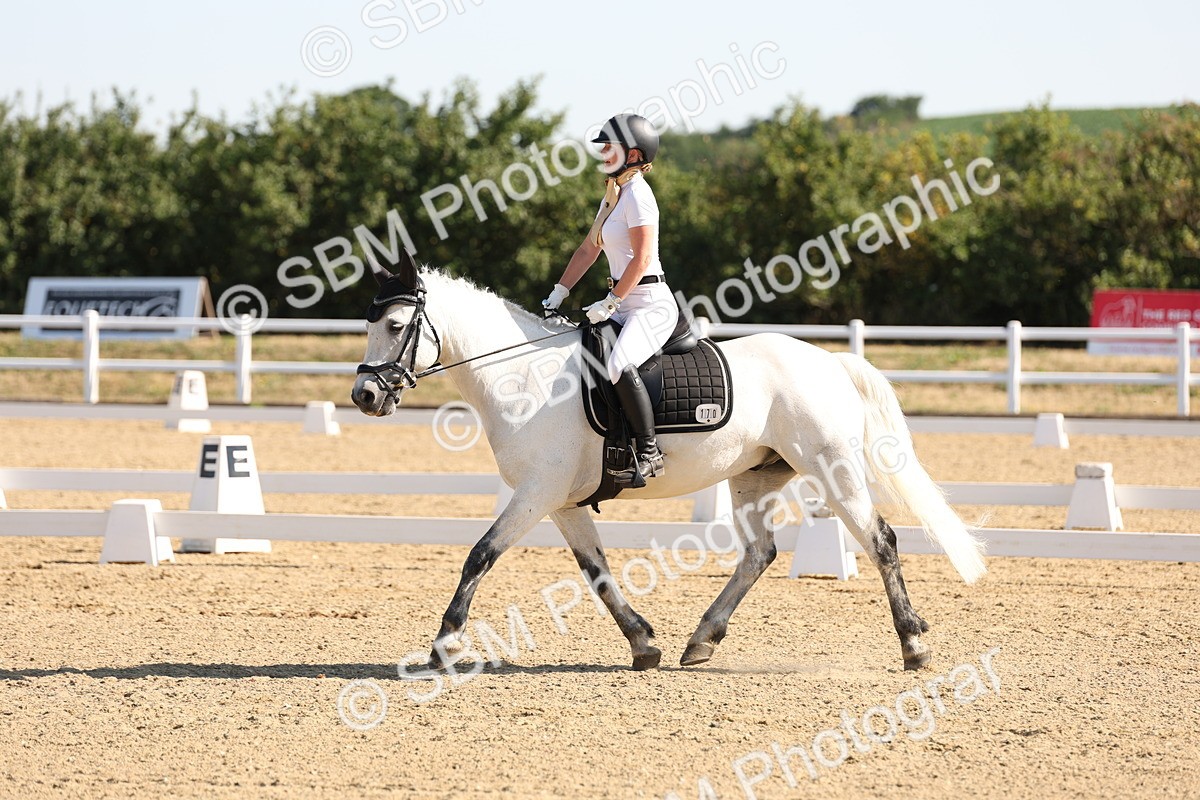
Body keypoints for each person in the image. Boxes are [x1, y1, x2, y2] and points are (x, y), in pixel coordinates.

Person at [542, 113, 679, 484]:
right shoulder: (614, 195)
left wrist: (612, 301)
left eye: (610, 147)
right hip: (621, 303)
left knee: (618, 365)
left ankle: (649, 451)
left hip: (649, 304)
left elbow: (643, 258)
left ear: (632, 155)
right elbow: (589, 249)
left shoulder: (639, 196)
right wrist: (559, 292)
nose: (603, 152)